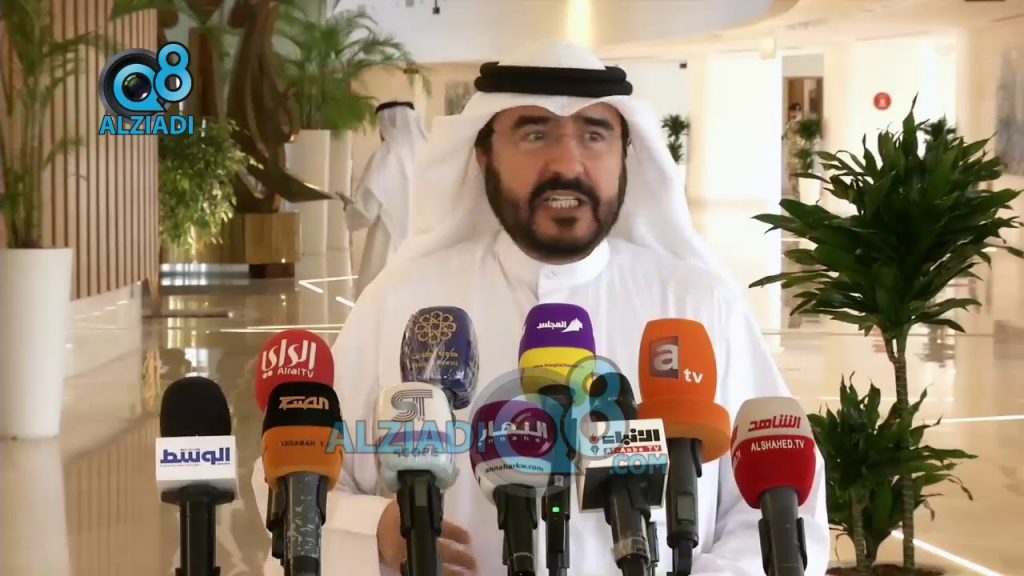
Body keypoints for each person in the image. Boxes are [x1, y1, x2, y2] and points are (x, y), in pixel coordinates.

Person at [252, 42, 829, 576]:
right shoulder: (405, 302)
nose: (567, 164)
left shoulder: (699, 303)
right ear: (483, 155)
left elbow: (783, 507)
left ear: (626, 156)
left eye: (595, 135)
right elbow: (293, 467)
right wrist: (372, 532)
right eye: (534, 134)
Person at [347, 101, 427, 297]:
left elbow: (366, 211)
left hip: (389, 245)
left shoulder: (387, 155)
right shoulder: (429, 154)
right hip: (423, 247)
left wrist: (349, 208)